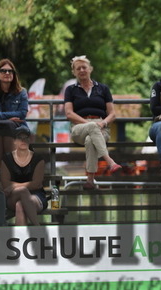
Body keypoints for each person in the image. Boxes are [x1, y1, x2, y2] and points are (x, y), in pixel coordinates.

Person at [64, 55, 121, 190]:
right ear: (74, 72)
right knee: (91, 128)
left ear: (90, 69)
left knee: (90, 140)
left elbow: (112, 114)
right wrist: (88, 124)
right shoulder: (70, 90)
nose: (82, 70)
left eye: (84, 67)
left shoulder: (103, 89)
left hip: (102, 127)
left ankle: (90, 180)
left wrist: (103, 123)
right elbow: (69, 113)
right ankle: (109, 161)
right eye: (78, 68)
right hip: (79, 128)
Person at [0, 59, 29, 179]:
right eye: (3, 71)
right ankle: (1, 169)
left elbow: (22, 113)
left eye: (10, 71)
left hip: (15, 128)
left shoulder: (22, 92)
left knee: (6, 126)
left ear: (14, 75)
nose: (7, 73)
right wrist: (8, 117)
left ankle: (6, 168)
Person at [1, 127, 47, 226]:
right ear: (14, 141)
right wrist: (19, 187)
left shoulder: (38, 159)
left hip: (36, 196)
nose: (23, 140)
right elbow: (5, 184)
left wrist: (13, 186)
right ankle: (38, 228)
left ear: (29, 140)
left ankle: (20, 239)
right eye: (19, 138)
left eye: (25, 138)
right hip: (13, 196)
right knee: (22, 191)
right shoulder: (7, 159)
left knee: (20, 204)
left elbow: (36, 184)